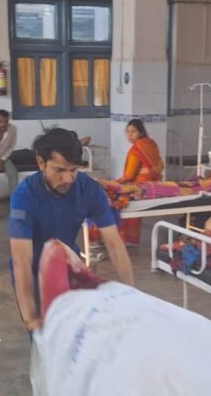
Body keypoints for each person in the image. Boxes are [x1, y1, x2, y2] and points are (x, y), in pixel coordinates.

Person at [9, 128, 134, 332]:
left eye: (74, 170)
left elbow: (114, 245)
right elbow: (21, 262)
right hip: (33, 273)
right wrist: (30, 316)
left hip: (68, 267)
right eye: (59, 170)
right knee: (45, 335)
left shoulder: (89, 190)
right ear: (41, 163)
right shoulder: (25, 197)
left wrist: (131, 295)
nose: (68, 179)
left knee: (77, 331)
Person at [115, 119, 164, 245]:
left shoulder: (136, 149)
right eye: (128, 132)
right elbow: (160, 165)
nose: (130, 135)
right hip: (154, 186)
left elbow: (129, 176)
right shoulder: (151, 144)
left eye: (133, 131)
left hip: (140, 187)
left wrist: (115, 182)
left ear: (141, 132)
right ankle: (131, 238)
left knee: (112, 198)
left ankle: (112, 238)